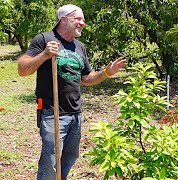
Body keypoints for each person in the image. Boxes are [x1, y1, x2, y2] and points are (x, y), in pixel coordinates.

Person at [17, 4, 127, 180]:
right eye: (78, 19)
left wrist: (106, 73)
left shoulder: (79, 46)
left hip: (75, 113)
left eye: (83, 19)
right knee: (51, 162)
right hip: (53, 112)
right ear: (64, 19)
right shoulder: (44, 39)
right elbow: (22, 69)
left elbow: (86, 78)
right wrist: (44, 55)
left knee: (69, 157)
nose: (83, 23)